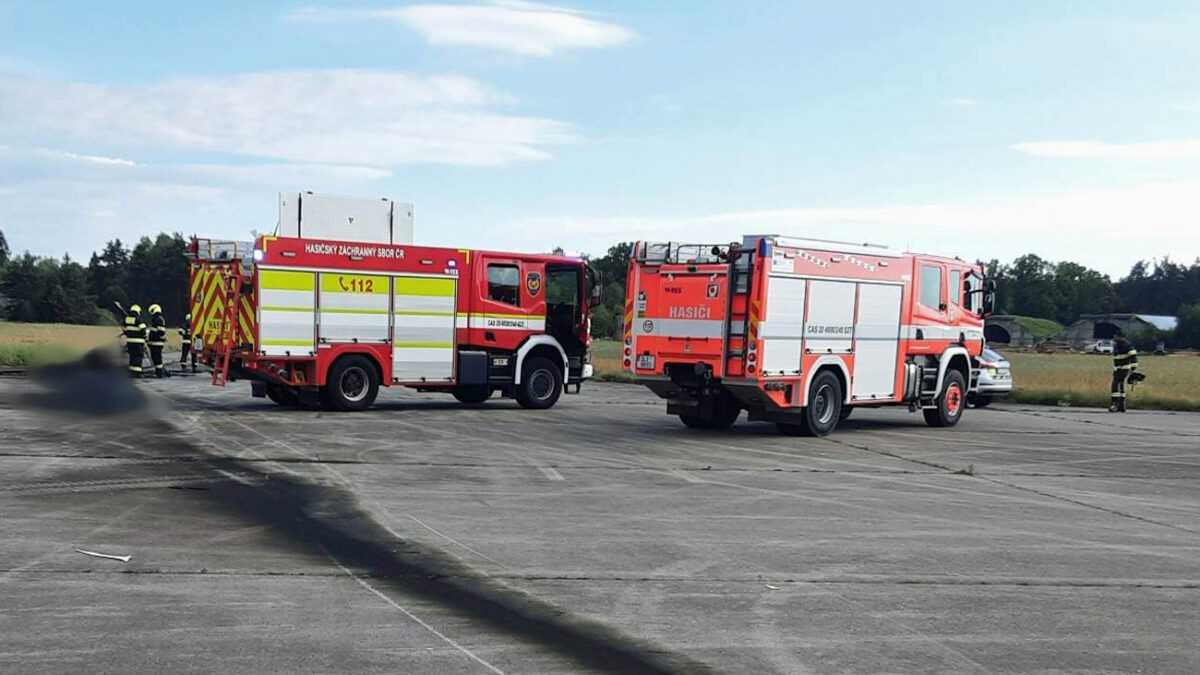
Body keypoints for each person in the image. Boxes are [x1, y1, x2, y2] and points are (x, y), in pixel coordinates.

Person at [1109, 330, 1139, 412]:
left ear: (1120, 337)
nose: (1114, 338)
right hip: (1118, 368)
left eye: (1115, 337)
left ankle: (1114, 404)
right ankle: (1121, 405)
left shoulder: (1127, 345)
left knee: (1115, 385)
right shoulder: (1117, 345)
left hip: (1123, 368)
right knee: (1121, 385)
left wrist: (1133, 368)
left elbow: (1133, 356)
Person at [122, 304, 147, 378]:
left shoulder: (127, 319)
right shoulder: (138, 319)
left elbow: (124, 328)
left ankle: (132, 372)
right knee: (138, 357)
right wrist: (143, 336)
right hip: (138, 342)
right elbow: (143, 329)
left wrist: (128, 333)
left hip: (130, 341)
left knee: (132, 357)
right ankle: (137, 373)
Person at [147, 304, 168, 378]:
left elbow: (161, 331)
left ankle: (159, 373)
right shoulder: (155, 318)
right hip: (154, 342)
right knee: (155, 358)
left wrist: (155, 336)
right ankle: (158, 371)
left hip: (157, 343)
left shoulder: (159, 319)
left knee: (157, 358)